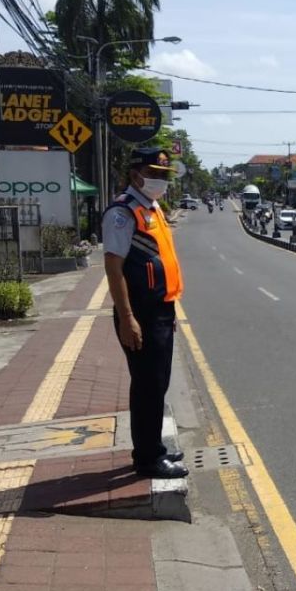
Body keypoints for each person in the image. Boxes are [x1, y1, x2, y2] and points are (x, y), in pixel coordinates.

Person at [102, 147, 189, 479]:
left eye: (165, 174)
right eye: (155, 173)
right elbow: (114, 267)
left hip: (160, 310)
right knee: (148, 385)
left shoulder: (151, 208)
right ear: (136, 174)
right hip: (140, 312)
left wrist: (170, 311)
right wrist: (127, 318)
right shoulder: (123, 213)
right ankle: (148, 458)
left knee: (158, 383)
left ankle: (154, 447)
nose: (161, 179)